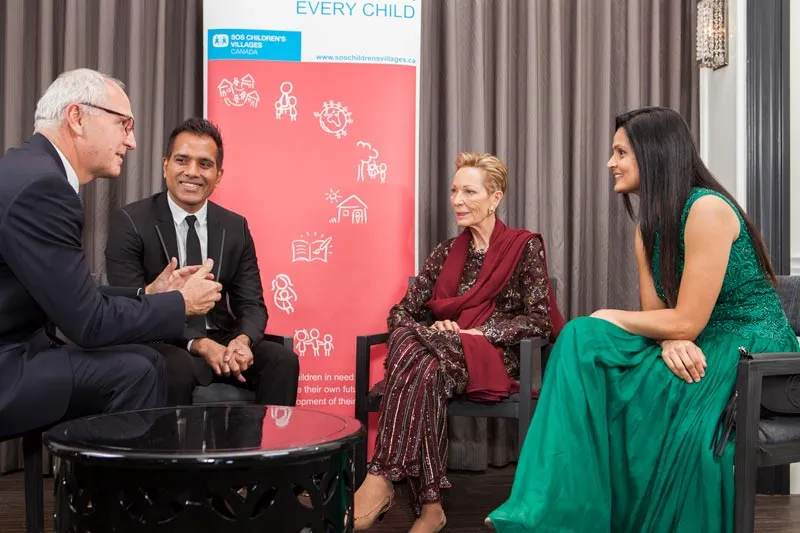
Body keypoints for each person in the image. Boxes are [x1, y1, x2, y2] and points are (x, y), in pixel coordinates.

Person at [487, 107, 800, 532]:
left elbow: (686, 319)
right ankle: (549, 509)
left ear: (654, 155)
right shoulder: (647, 227)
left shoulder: (707, 210)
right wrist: (670, 340)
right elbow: (662, 319)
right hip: (696, 335)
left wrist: (611, 315)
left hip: (752, 344)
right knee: (582, 338)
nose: (610, 163)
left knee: (600, 334)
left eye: (621, 152)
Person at [0, 68, 222, 438]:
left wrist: (148, 294)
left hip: (18, 347)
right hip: (8, 365)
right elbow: (88, 324)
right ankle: (125, 496)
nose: (132, 141)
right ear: (77, 117)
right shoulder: (44, 189)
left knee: (143, 361)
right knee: (141, 369)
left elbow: (68, 294)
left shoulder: (27, 168)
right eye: (124, 124)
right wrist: (180, 302)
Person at [354, 152, 564, 532]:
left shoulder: (524, 247)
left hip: (494, 357)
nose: (457, 201)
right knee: (422, 357)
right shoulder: (444, 252)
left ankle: (383, 479)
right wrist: (438, 331)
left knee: (412, 346)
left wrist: (480, 333)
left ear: (495, 196)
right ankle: (431, 506)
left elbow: (539, 320)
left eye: (469, 191)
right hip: (439, 355)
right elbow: (400, 314)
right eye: (454, 191)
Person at [105, 117, 299, 406]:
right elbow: (130, 304)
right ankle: (168, 452)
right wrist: (198, 344)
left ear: (218, 175)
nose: (192, 172)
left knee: (282, 360)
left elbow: (252, 304)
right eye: (182, 160)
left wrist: (242, 341)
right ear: (165, 165)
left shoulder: (235, 227)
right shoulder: (131, 221)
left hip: (221, 339)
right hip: (162, 340)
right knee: (175, 367)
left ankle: (266, 450)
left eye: (204, 164)